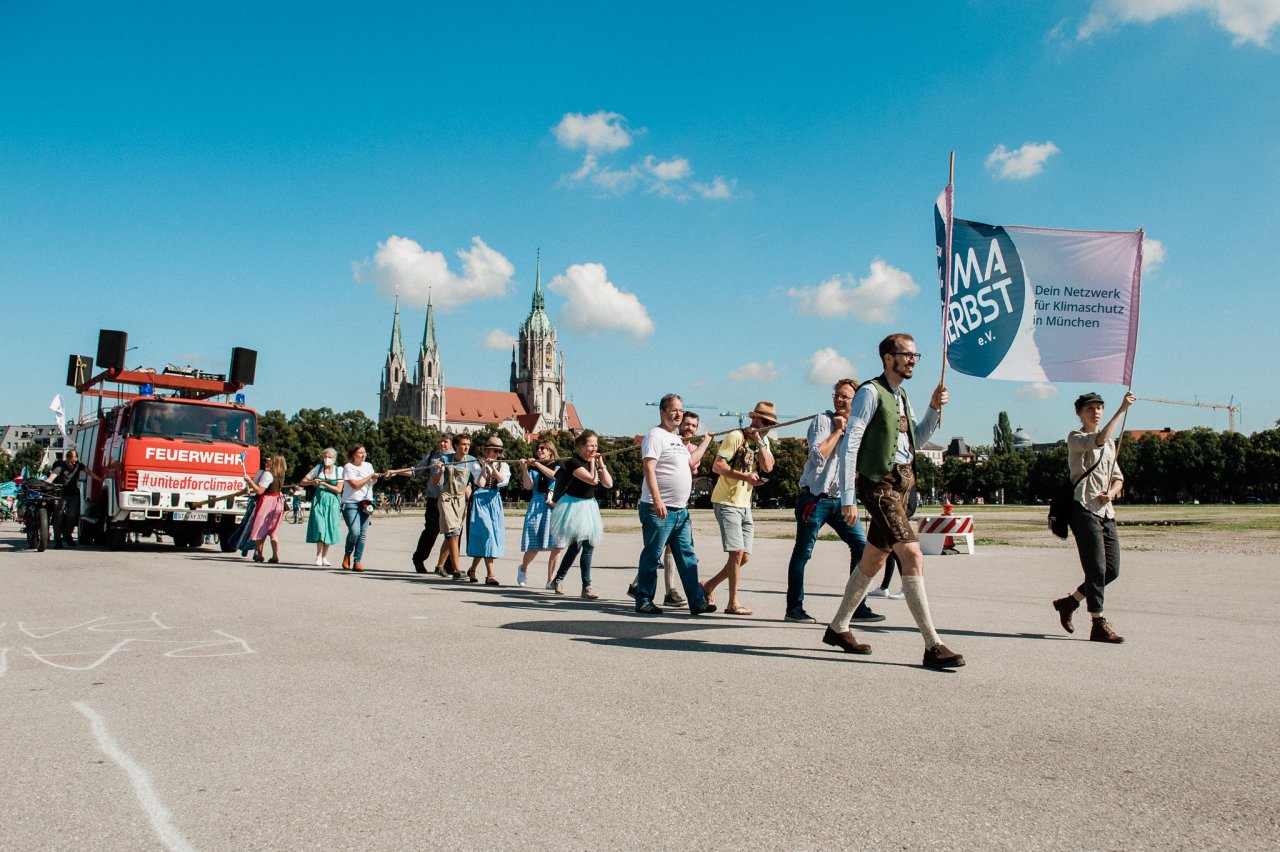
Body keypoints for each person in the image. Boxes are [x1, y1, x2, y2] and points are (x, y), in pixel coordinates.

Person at [823, 333, 965, 670]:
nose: (913, 360)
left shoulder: (901, 396)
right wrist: (848, 497)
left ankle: (838, 627)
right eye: (907, 355)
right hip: (879, 485)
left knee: (874, 558)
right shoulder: (870, 393)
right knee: (912, 554)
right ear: (888, 357)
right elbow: (851, 443)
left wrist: (933, 407)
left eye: (917, 355)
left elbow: (920, 438)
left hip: (903, 484)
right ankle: (933, 644)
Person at [783, 379, 883, 624]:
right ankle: (794, 608)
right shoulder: (823, 420)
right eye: (836, 395)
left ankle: (857, 605)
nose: (839, 400)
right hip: (814, 499)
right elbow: (817, 456)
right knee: (803, 553)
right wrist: (838, 431)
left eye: (845, 397)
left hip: (842, 500)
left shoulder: (860, 426)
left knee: (862, 546)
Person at [1052, 391, 1136, 644]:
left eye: (1100, 407)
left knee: (1111, 570)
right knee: (1096, 569)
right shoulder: (1076, 438)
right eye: (1090, 408)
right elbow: (1098, 440)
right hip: (1083, 508)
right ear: (1079, 413)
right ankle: (1098, 623)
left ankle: (1069, 602)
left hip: (1105, 511)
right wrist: (1122, 409)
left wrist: (1111, 492)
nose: (1096, 411)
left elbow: (1118, 477)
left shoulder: (1112, 445)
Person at [632, 394, 716, 615]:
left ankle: (697, 602)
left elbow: (690, 462)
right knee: (652, 554)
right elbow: (649, 468)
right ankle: (643, 599)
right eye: (673, 410)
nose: (678, 414)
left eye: (681, 410)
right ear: (662, 412)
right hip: (658, 508)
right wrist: (657, 500)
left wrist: (707, 441)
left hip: (680, 510)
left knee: (687, 556)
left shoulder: (677, 440)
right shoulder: (655, 436)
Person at [701, 401, 777, 616]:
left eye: (770, 423)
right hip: (726, 501)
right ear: (755, 419)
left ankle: (709, 586)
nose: (769, 426)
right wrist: (744, 476)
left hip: (745, 504)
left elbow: (768, 467)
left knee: (744, 557)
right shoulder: (736, 436)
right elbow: (718, 466)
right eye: (766, 422)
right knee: (736, 553)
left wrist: (760, 442)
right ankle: (733, 602)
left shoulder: (764, 441)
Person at [548, 431, 611, 599]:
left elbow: (608, 484)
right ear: (581, 445)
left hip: (589, 506)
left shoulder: (595, 462)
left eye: (596, 445)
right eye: (591, 445)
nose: (594, 448)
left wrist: (601, 464)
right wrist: (592, 463)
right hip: (573, 506)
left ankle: (583, 586)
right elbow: (591, 480)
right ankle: (566, 580)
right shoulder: (573, 462)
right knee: (576, 546)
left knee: (587, 546)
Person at [340, 444, 409, 572]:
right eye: (360, 453)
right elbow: (355, 484)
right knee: (354, 531)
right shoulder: (348, 467)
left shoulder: (368, 466)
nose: (363, 455)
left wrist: (375, 478)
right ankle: (347, 554)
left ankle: (357, 561)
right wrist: (370, 477)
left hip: (367, 502)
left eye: (364, 452)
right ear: (353, 454)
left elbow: (372, 483)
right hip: (351, 503)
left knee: (362, 534)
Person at [464, 436, 511, 585]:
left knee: (487, 537)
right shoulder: (477, 465)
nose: (497, 454)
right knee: (487, 534)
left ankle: (472, 569)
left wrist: (492, 467)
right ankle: (490, 575)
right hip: (480, 499)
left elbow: (502, 481)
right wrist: (485, 467)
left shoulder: (503, 465)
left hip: (494, 500)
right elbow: (480, 483)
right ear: (487, 450)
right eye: (494, 451)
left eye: (499, 451)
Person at [518, 439, 563, 588]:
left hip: (555, 505)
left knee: (557, 545)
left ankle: (550, 580)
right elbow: (528, 486)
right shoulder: (533, 469)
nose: (539, 451)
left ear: (550, 450)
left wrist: (536, 463)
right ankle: (523, 568)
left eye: (543, 448)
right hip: (537, 504)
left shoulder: (558, 464)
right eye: (538, 448)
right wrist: (525, 468)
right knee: (534, 544)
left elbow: (554, 476)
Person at [432, 434, 477, 577]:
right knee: (453, 534)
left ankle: (439, 567)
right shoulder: (445, 460)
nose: (466, 447)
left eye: (468, 445)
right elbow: (435, 481)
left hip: (460, 500)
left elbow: (476, 475)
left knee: (452, 535)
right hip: (447, 498)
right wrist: (440, 471)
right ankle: (456, 570)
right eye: (463, 444)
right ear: (456, 445)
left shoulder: (471, 460)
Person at [411, 435, 452, 573]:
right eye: (440, 441)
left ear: (452, 444)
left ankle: (449, 565)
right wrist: (395, 472)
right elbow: (416, 471)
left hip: (451, 501)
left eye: (445, 441)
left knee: (452, 534)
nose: (442, 444)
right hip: (434, 499)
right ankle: (419, 558)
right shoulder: (432, 456)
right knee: (431, 531)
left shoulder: (457, 458)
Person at [44, 449, 101, 548]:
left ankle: (67, 536)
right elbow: (51, 477)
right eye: (72, 461)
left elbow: (89, 472)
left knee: (72, 516)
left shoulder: (78, 465)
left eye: (75, 460)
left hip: (72, 494)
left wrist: (99, 479)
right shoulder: (60, 466)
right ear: (67, 459)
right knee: (58, 517)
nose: (74, 463)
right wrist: (45, 484)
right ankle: (58, 540)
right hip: (61, 495)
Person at [301, 448, 343, 566]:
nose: (327, 459)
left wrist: (324, 483)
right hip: (319, 500)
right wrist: (312, 482)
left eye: (329, 457)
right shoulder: (318, 468)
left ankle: (325, 556)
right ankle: (318, 555)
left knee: (329, 528)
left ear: (334, 458)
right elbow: (302, 482)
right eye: (325, 457)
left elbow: (339, 489)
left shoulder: (339, 470)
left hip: (332, 501)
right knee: (320, 527)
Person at [245, 454, 288, 564]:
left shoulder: (268, 475)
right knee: (273, 532)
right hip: (278, 502)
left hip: (268, 503)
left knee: (260, 529)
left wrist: (249, 481)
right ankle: (275, 555)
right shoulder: (280, 475)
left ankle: (259, 554)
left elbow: (260, 491)